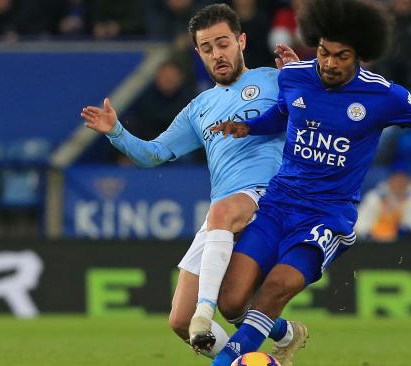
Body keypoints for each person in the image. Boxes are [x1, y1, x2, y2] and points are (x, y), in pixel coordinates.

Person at [208, 0, 411, 364]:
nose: (329, 63)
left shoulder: (386, 96)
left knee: (276, 287)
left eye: (341, 56)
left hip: (326, 216)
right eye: (323, 52)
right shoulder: (294, 75)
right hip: (277, 204)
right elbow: (283, 114)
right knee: (231, 301)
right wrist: (249, 127)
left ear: (360, 56)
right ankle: (286, 333)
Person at [80, 4, 306, 364]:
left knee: (212, 302)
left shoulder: (273, 78)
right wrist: (117, 133)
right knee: (181, 321)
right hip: (224, 211)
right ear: (198, 53)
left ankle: (207, 310)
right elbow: (153, 153)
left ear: (241, 41)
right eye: (207, 48)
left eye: (223, 43)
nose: (217, 54)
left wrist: (300, 80)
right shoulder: (198, 108)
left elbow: (313, 115)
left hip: (270, 196)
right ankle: (277, 338)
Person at [355, 167, 411, 242]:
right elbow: (358, 223)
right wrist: (369, 233)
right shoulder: (375, 197)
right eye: (396, 177)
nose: (399, 181)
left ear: (409, 179)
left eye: (403, 178)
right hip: (376, 245)